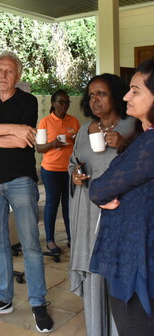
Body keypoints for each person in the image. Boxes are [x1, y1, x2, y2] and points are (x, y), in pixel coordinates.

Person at [0, 51, 53, 333]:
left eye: (9, 71)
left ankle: (38, 301)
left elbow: (22, 143)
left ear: (18, 76)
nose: (3, 75)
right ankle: (3, 298)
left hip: (20, 180)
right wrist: (11, 130)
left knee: (30, 243)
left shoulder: (28, 101)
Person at [88, 60, 154, 336]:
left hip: (137, 258)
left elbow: (99, 189)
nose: (127, 96)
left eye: (135, 91)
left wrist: (104, 192)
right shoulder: (143, 138)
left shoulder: (150, 144)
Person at [68, 73, 134, 336]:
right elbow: (74, 162)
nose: (94, 99)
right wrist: (74, 174)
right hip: (87, 212)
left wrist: (124, 145)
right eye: (91, 94)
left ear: (116, 96)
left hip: (120, 213)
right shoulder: (85, 131)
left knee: (118, 275)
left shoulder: (132, 128)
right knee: (94, 274)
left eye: (101, 93)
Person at [36, 90, 80, 253]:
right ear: (53, 104)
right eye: (61, 102)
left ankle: (71, 238)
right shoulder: (45, 122)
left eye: (67, 102)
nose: (64, 105)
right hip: (51, 170)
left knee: (69, 205)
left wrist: (76, 139)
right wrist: (53, 144)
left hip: (69, 170)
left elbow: (78, 144)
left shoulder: (73, 121)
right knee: (52, 204)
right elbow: (39, 148)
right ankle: (50, 240)